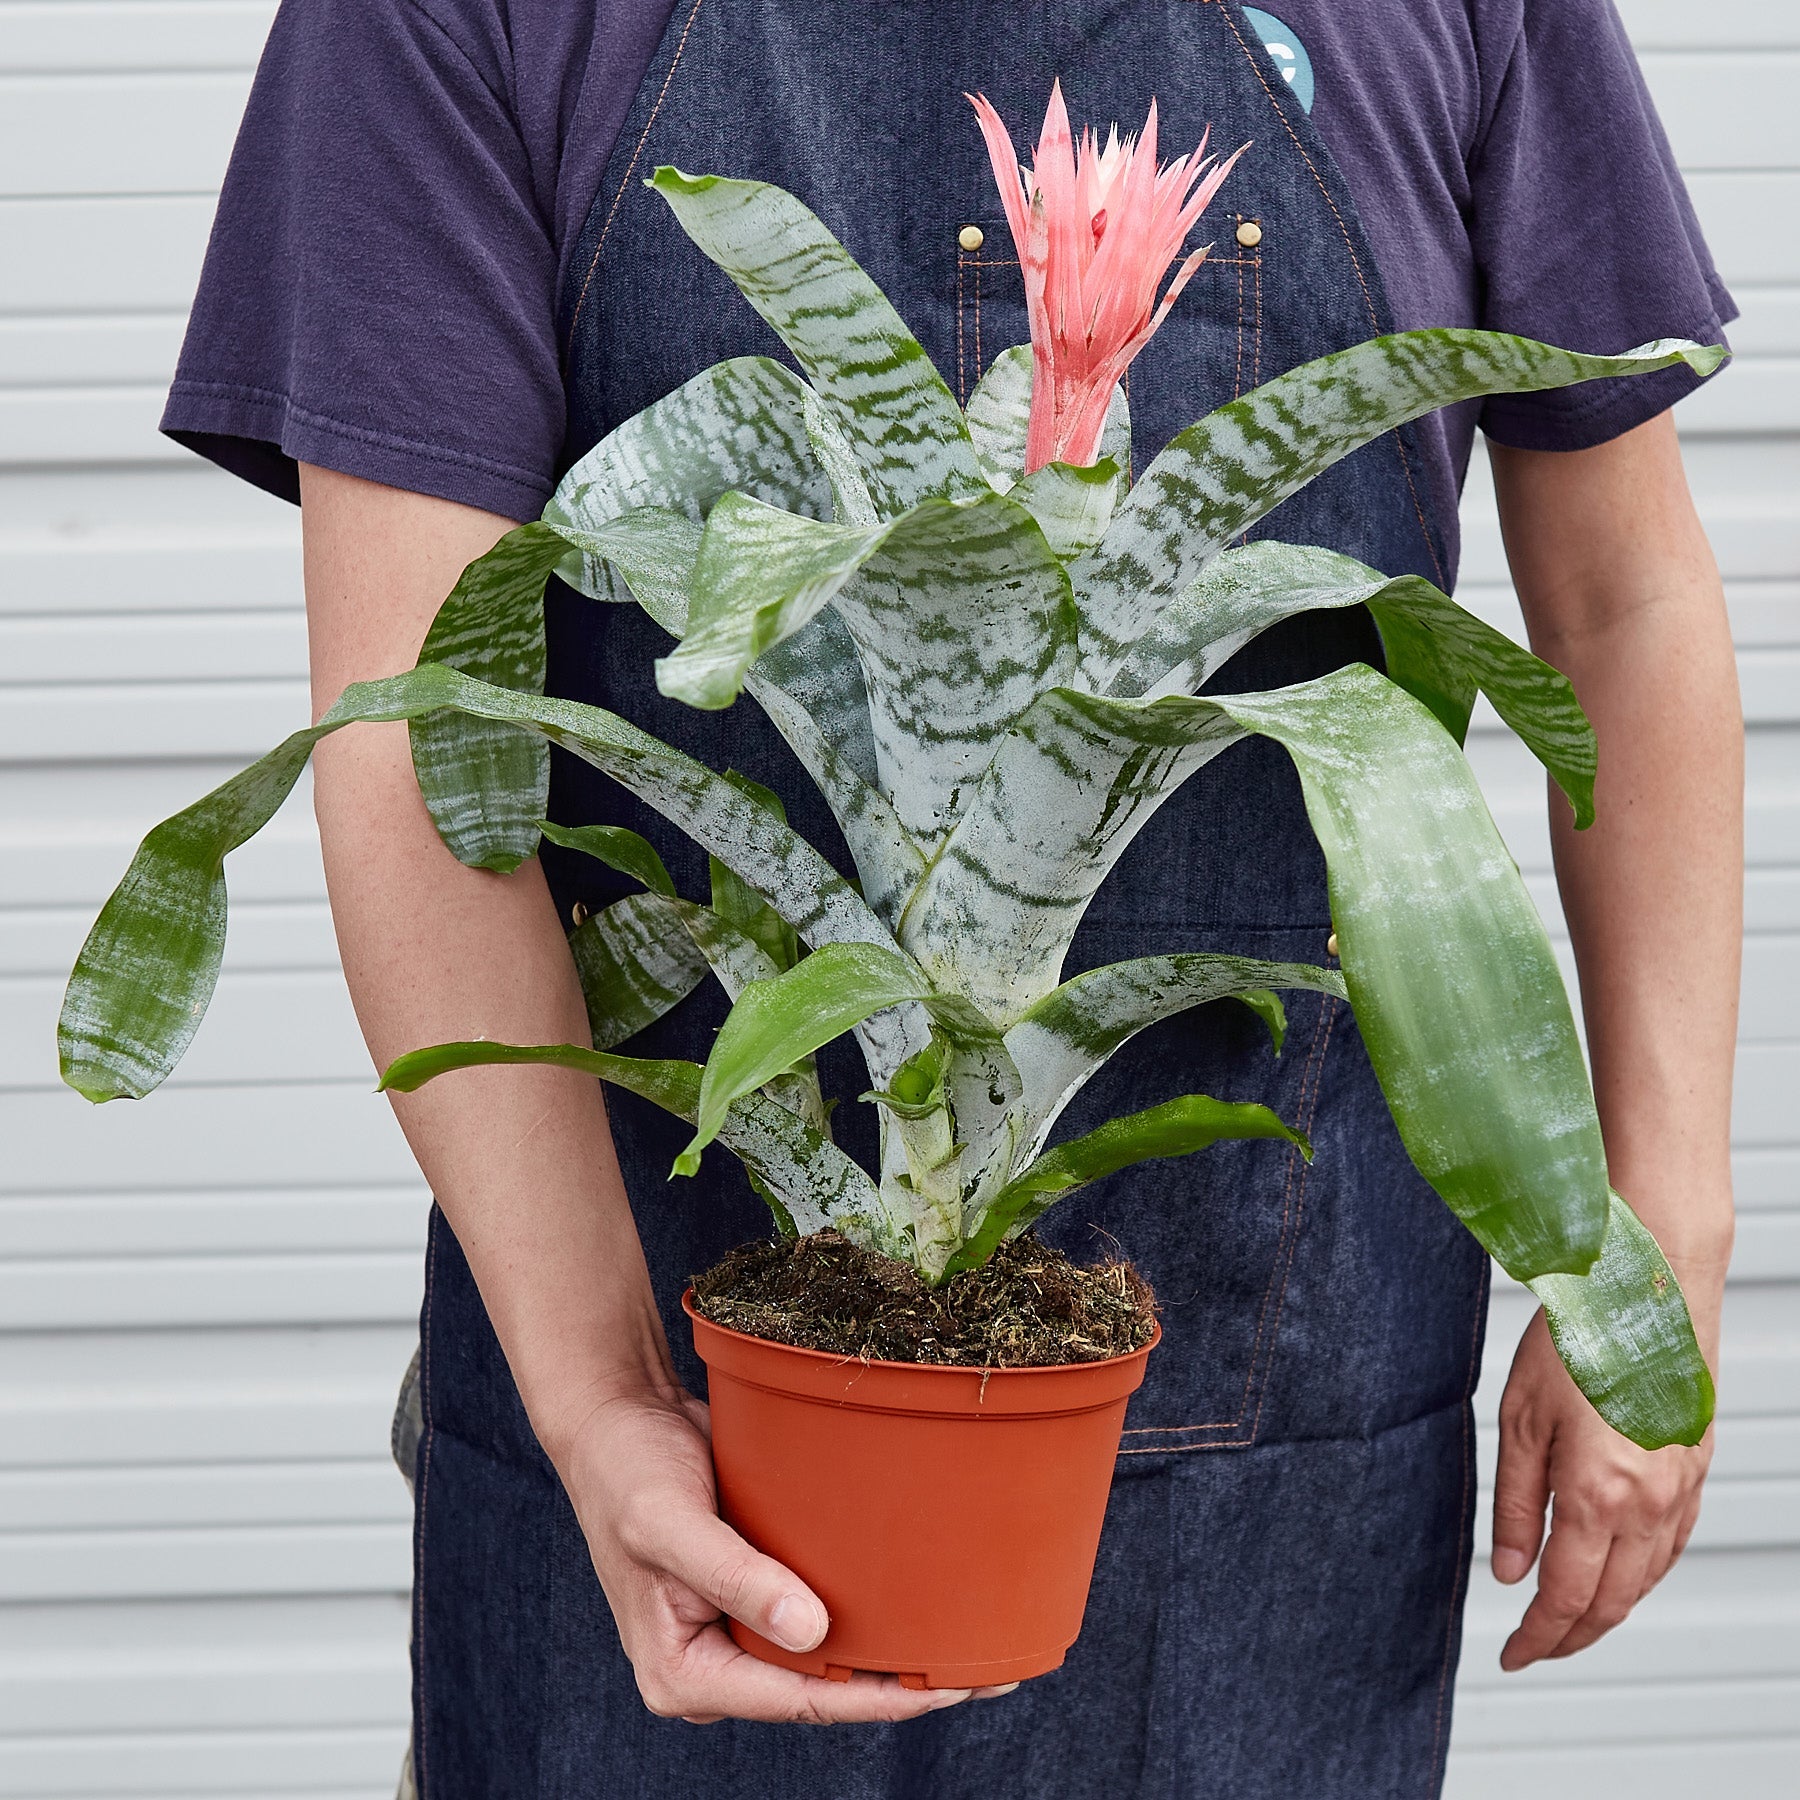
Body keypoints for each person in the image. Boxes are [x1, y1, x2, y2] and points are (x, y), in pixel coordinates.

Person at [161, 1, 1741, 1793]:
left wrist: (1661, 1238)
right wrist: (601, 1400)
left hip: (1280, 1394)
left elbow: (1623, 609)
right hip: (666, 1408)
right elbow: (427, 731)